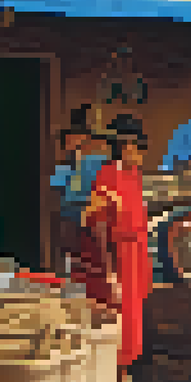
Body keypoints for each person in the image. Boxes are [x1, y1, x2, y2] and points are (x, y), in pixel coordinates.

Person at [77, 114, 152, 382]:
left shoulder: (134, 177)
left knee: (133, 324)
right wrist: (109, 272)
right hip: (117, 258)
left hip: (136, 258)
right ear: (126, 146)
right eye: (139, 148)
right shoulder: (106, 178)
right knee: (117, 324)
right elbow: (96, 226)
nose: (142, 154)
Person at [51, 105, 110, 274]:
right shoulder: (64, 165)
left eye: (74, 137)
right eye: (67, 139)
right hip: (70, 217)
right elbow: (57, 192)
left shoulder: (97, 161)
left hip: (92, 217)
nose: (70, 143)